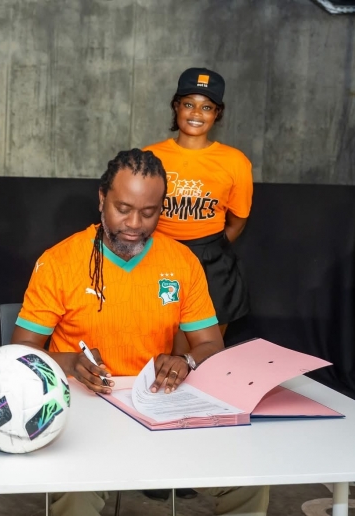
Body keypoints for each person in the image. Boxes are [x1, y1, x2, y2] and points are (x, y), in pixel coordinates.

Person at [10, 149, 269, 516]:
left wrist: (186, 360)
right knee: (77, 492)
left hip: (158, 408)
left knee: (249, 478)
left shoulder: (181, 262)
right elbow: (20, 353)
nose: (134, 223)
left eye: (148, 213)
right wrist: (70, 362)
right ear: (102, 199)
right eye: (123, 209)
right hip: (83, 412)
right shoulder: (59, 262)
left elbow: (211, 343)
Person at [142, 69, 254, 502]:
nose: (196, 113)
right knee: (161, 358)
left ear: (217, 114)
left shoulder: (234, 162)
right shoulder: (150, 156)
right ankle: (153, 461)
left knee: (201, 363)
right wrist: (172, 257)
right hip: (159, 258)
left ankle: (187, 462)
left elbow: (237, 221)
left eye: (206, 107)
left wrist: (205, 252)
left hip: (211, 259)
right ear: (176, 107)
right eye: (188, 104)